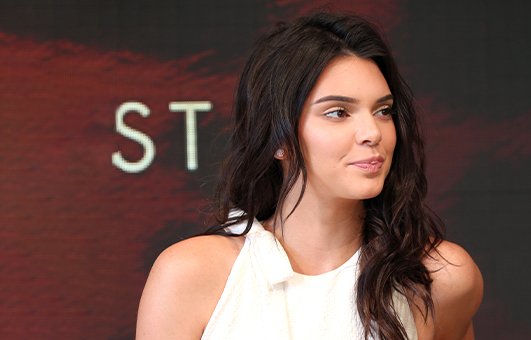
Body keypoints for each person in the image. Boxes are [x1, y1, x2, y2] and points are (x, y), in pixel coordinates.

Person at [136, 12, 483, 340]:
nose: (372, 132)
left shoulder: (441, 277)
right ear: (278, 138)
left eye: (383, 111)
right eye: (338, 112)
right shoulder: (190, 274)